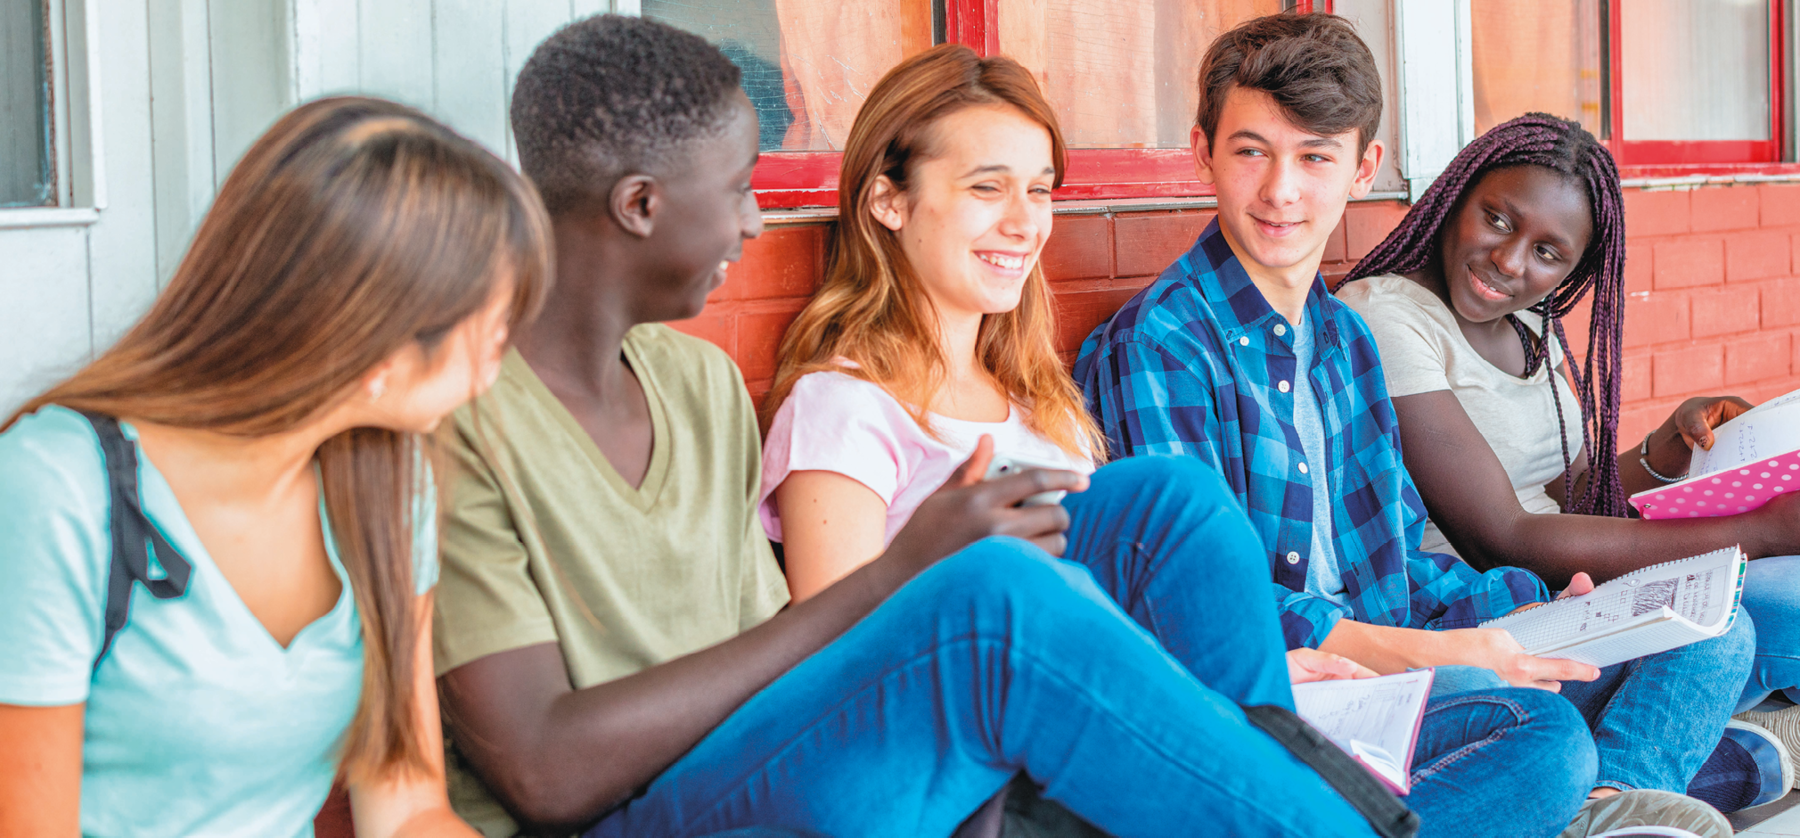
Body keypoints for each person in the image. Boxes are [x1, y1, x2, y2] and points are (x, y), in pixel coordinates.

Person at [430, 15, 1409, 838]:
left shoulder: (695, 381)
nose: (758, 225)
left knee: (1168, 502)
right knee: (995, 599)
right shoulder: (458, 422)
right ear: (640, 206)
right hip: (644, 814)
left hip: (772, 756)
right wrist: (906, 577)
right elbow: (543, 771)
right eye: (737, 188)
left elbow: (779, 655)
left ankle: (1273, 792)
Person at [758, 35, 1605, 838]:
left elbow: (1134, 613)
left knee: (1599, 692)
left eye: (1041, 190)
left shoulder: (1044, 407)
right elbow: (842, 679)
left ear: (1362, 168)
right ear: (886, 198)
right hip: (1040, 765)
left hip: (1172, 714)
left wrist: (1262, 673)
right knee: (1537, 736)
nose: (1023, 222)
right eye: (988, 188)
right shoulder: (847, 406)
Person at [1072, 10, 1753, 832]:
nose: (1282, 190)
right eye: (1251, 150)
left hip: (1412, 666)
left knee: (1711, 636)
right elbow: (1212, 617)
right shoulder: (1160, 345)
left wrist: (1529, 604)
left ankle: (1601, 804)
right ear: (1202, 152)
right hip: (1290, 701)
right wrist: (1453, 653)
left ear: (1365, 167)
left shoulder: (1344, 343)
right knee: (1540, 740)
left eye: (1315, 157)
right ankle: (1590, 794)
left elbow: (1394, 563)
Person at [0, 97, 550, 838]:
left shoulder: (388, 483)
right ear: (380, 347)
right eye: (493, 328)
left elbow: (408, 804)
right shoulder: (57, 488)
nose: (502, 359)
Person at [1335, 111, 1800, 809]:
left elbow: (1570, 491)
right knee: (1722, 628)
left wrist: (1668, 448)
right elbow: (1504, 533)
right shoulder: (1385, 316)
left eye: (1549, 253)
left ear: (1575, 271)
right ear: (1455, 196)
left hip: (1574, 588)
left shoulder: (1528, 328)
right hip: (1484, 610)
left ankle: (1664, 767)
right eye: (1498, 219)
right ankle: (1631, 793)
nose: (1511, 261)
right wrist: (1759, 532)